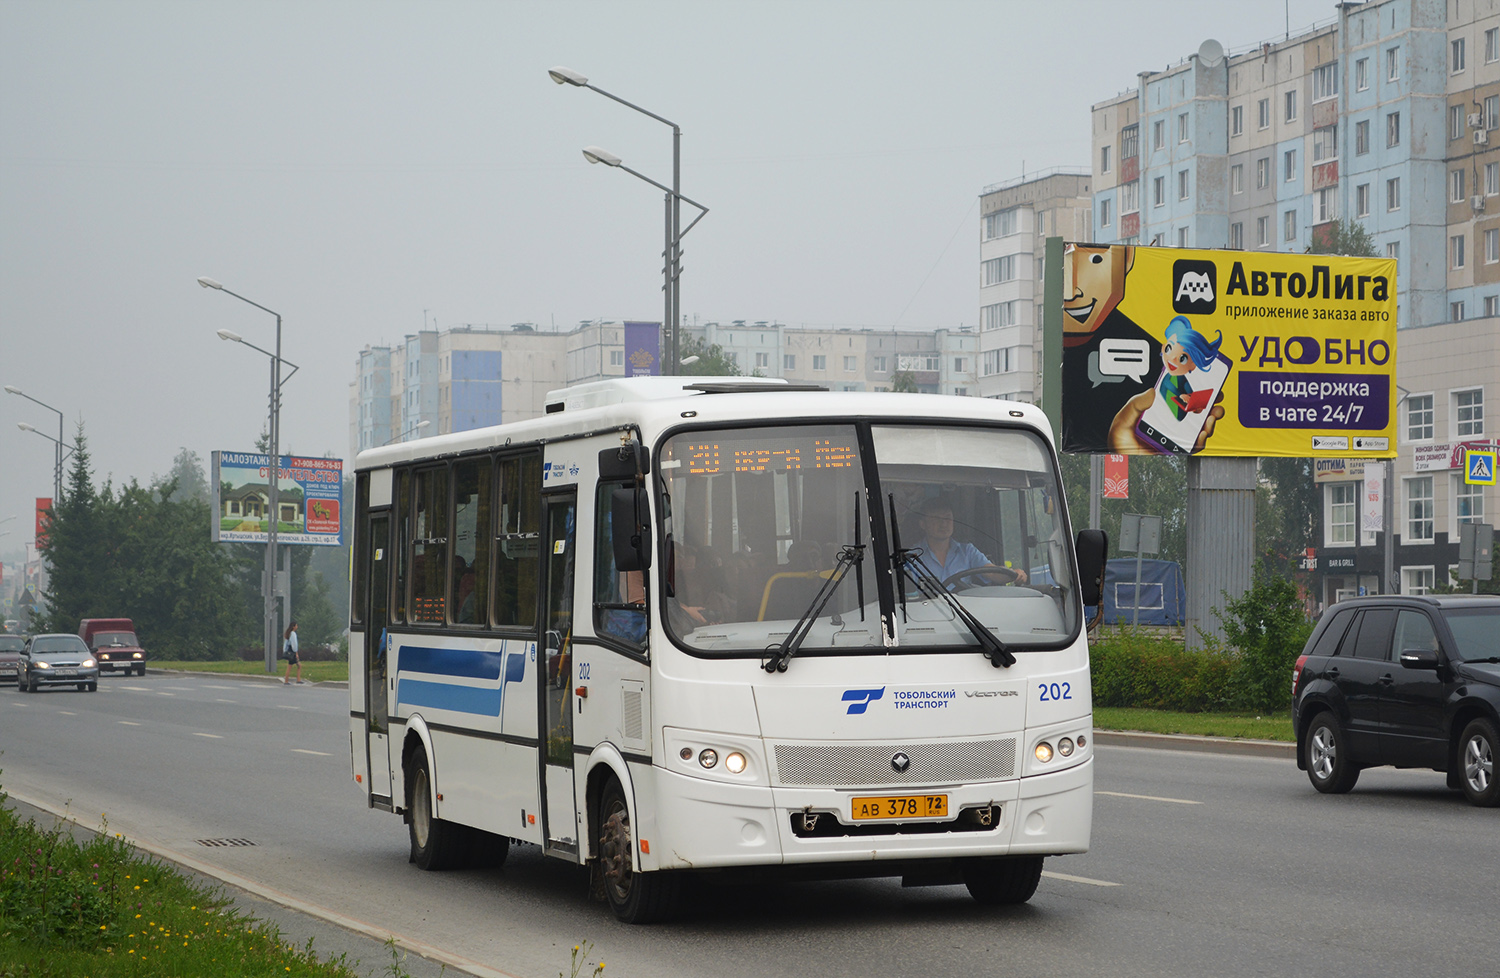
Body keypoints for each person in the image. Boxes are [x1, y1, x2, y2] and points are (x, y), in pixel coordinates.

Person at [911, 497, 1025, 587]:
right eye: (936, 519)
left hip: (964, 612)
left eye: (947, 518)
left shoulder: (967, 551)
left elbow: (992, 572)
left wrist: (1014, 574)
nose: (944, 524)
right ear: (923, 524)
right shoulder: (911, 557)